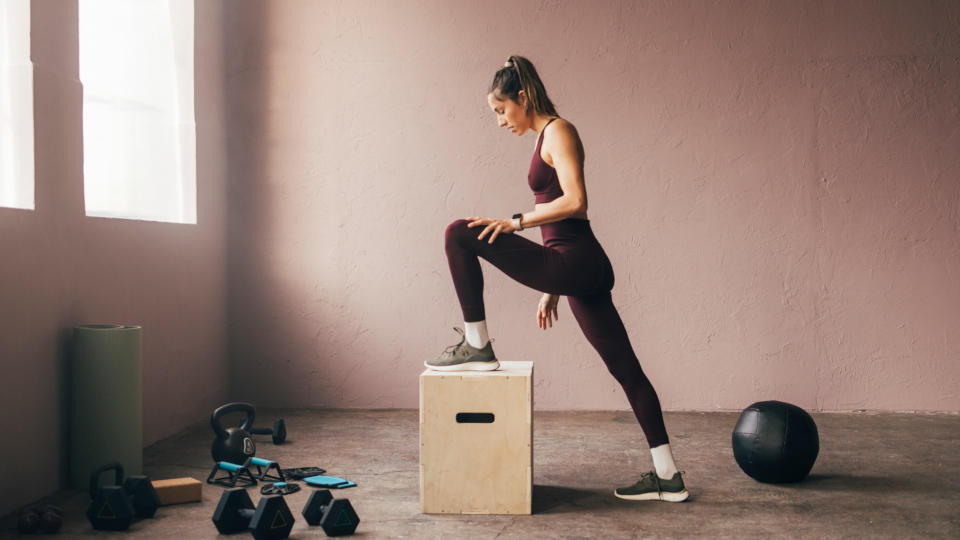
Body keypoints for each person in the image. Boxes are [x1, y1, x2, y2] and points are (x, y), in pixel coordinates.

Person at [425, 55, 688, 503]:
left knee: (457, 233)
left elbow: (576, 202)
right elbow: (560, 229)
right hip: (574, 268)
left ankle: (477, 345)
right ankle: (669, 478)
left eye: (501, 109)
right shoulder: (543, 137)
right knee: (628, 371)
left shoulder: (559, 131)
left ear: (523, 98)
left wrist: (516, 221)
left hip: (578, 261)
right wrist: (553, 290)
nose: (500, 120)